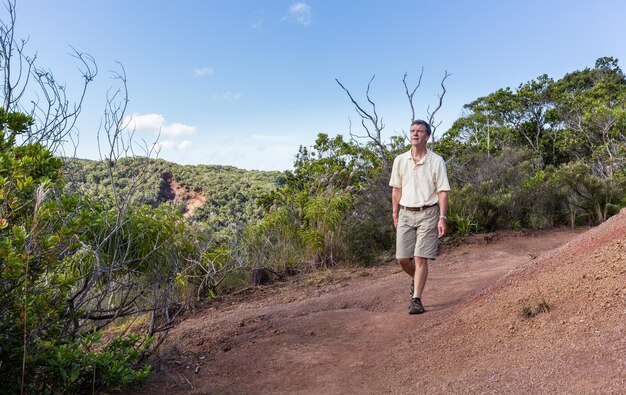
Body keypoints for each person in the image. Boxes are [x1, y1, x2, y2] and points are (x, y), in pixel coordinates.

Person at [389, 119, 450, 314]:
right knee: (402, 259)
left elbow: (442, 191)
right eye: (412, 130)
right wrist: (395, 213)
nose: (415, 134)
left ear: (427, 136)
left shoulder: (436, 160)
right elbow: (396, 189)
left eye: (420, 131)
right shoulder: (400, 160)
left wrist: (442, 217)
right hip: (406, 213)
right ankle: (417, 280)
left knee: (419, 257)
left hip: (429, 213)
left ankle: (416, 299)